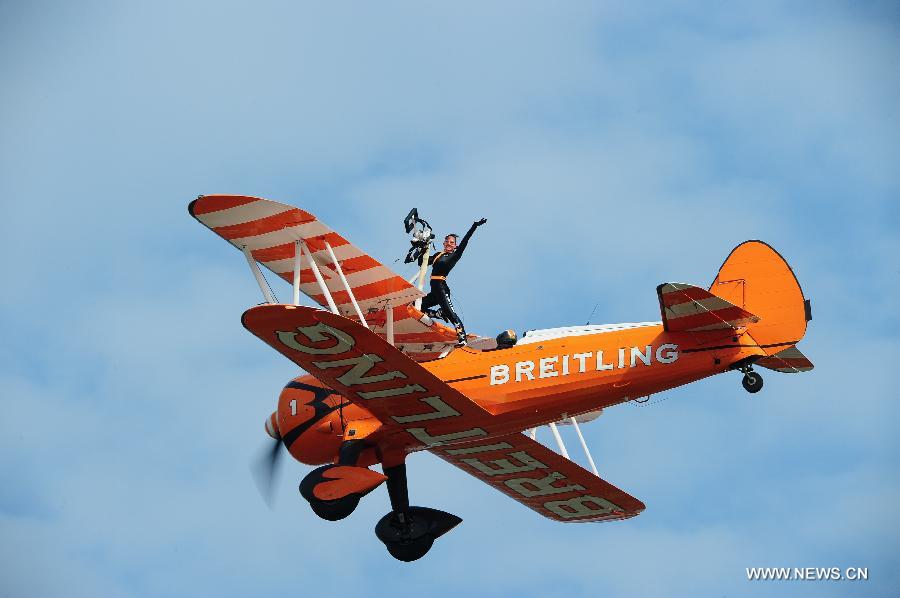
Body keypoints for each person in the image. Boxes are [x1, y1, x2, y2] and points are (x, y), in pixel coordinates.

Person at [420, 218, 487, 344]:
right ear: (444, 243)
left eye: (452, 242)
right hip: (434, 290)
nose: (449, 243)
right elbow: (422, 262)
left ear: (455, 246)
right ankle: (438, 314)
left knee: (451, 314)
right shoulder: (437, 255)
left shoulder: (455, 255)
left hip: (441, 288)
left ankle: (462, 338)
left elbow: (465, 241)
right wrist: (421, 248)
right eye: (447, 241)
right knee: (417, 306)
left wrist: (475, 226)